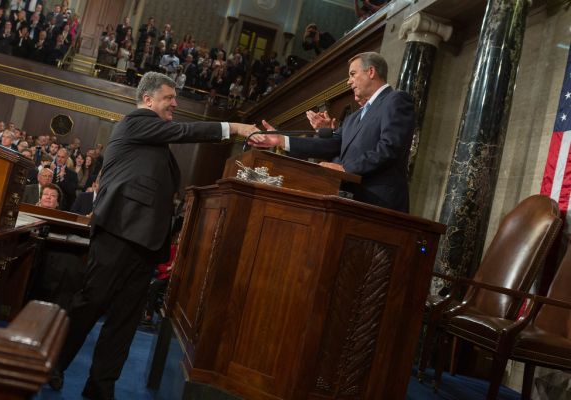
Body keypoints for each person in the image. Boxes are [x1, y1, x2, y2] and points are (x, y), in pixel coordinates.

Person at [48, 71, 260, 399]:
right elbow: (185, 130)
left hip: (146, 242)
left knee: (125, 320)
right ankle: (54, 364)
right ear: (148, 100)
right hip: (119, 232)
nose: (175, 104)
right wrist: (233, 128)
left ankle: (101, 387)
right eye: (169, 98)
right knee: (91, 303)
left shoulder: (156, 140)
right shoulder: (135, 122)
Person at [251, 52, 415, 213]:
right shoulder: (353, 117)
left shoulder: (395, 99)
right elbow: (331, 144)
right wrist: (281, 140)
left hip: (380, 202)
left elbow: (390, 148)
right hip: (349, 200)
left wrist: (345, 169)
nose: (349, 82)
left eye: (352, 74)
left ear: (371, 72)